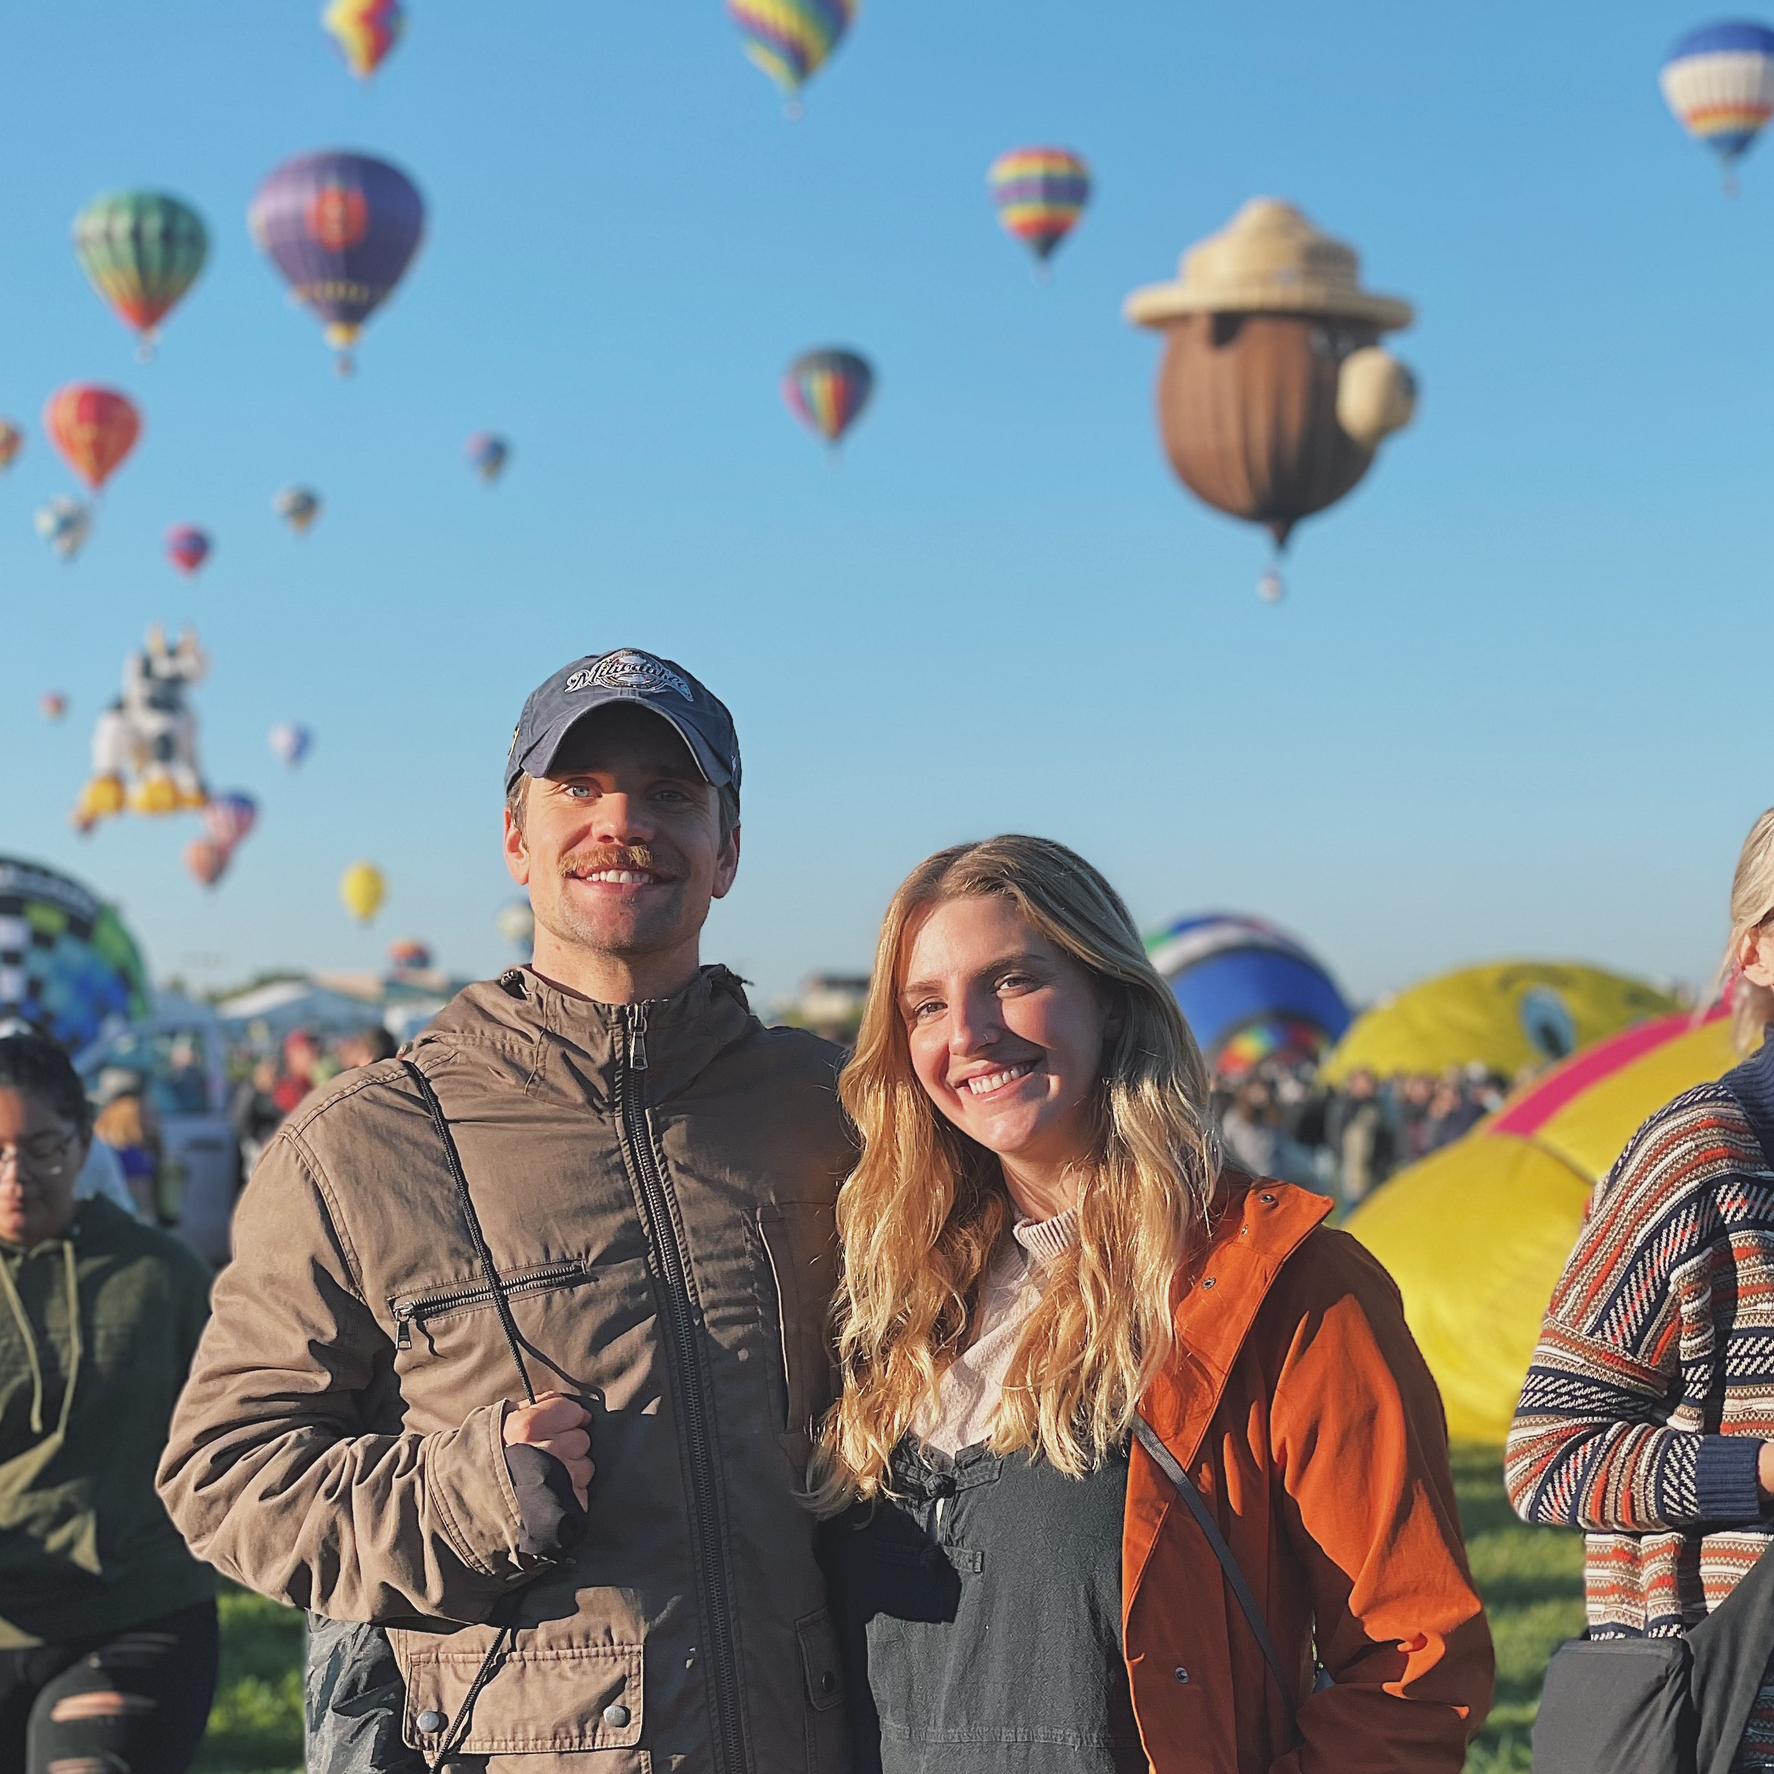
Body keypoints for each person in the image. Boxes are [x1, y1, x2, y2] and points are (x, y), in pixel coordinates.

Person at [157, 648, 855, 1773]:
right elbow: (225, 1470)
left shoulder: (839, 1112)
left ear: (728, 849)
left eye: (671, 793)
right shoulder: (364, 1144)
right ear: (514, 840)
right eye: (577, 788)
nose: (623, 820)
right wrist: (462, 1495)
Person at [811, 836, 1494, 1773]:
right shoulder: (896, 1303)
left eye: (1010, 980)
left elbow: (1415, 1671)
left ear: (1111, 994)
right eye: (926, 1004)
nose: (966, 1032)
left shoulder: (1288, 1291)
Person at [1508, 806, 1774, 1771]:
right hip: (1724, 1725)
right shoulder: (1704, 1157)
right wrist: (1761, 1469)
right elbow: (1551, 1457)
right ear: (1755, 953)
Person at [0, 1030, 218, 1774]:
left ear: (84, 1139)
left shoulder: (160, 1276)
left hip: (134, 1611)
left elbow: (243, 1433)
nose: (16, 1178)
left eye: (42, 1148)